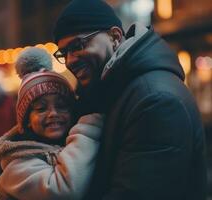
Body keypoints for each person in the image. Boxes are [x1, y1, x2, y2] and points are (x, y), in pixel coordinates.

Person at [52, 0, 207, 199]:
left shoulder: (155, 100)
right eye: (63, 53)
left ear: (115, 37)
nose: (70, 60)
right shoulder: (112, 90)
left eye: (78, 45)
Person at [0, 49, 103, 200]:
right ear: (27, 120)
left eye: (61, 106)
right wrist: (87, 130)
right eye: (41, 108)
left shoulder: (68, 145)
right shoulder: (17, 164)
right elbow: (61, 192)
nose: (53, 113)